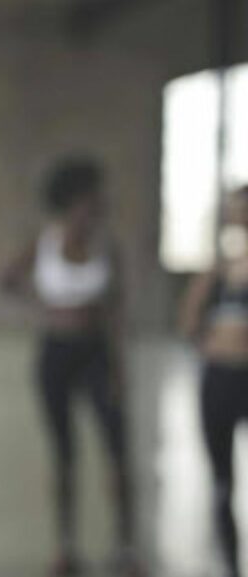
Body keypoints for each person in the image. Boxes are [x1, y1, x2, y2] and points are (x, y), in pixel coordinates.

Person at [2, 156, 138, 576]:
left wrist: (118, 368)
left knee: (117, 450)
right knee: (63, 454)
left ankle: (125, 548)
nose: (95, 205)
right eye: (88, 197)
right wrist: (42, 309)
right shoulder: (43, 242)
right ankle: (65, 547)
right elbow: (6, 279)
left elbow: (116, 313)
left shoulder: (106, 246)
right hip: (56, 354)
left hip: (96, 352)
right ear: (70, 200)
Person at [179, 184, 248, 577]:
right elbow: (188, 321)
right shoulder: (218, 270)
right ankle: (230, 564)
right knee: (223, 480)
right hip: (220, 380)